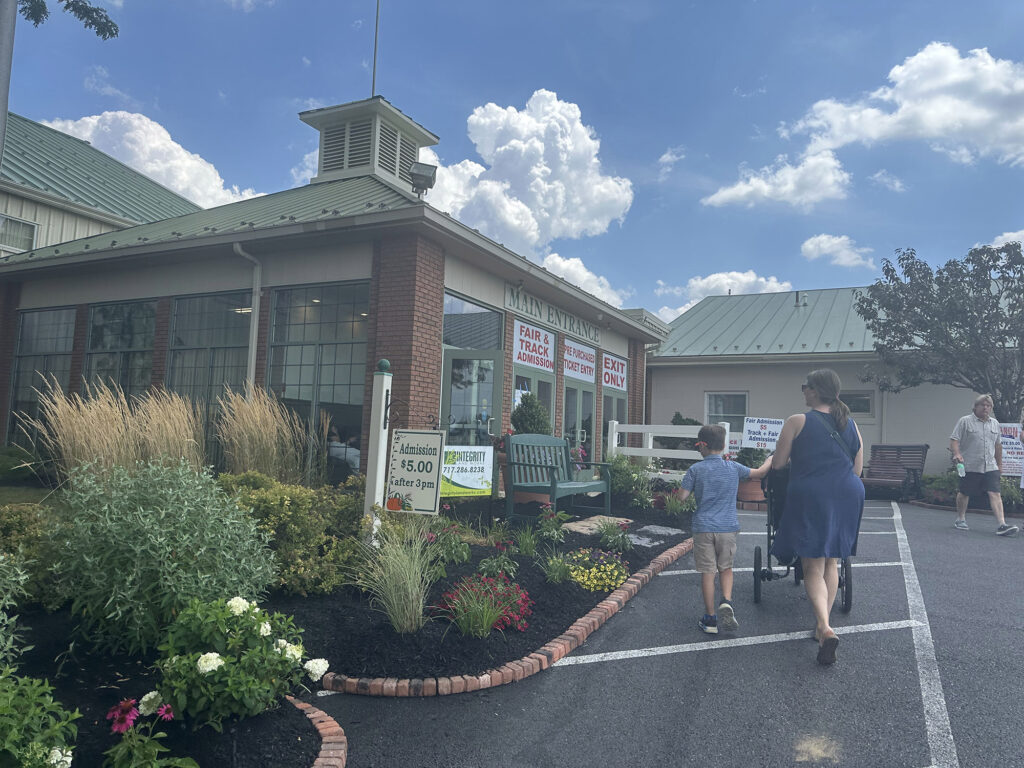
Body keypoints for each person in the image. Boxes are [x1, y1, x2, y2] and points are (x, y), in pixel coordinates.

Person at [770, 369, 865, 666]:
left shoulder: (797, 421)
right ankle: (820, 626)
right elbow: (858, 470)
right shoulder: (852, 425)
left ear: (815, 391)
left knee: (811, 565)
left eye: (805, 387)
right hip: (848, 493)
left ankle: (824, 626)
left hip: (812, 494)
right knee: (831, 561)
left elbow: (780, 464)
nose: (803, 392)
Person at [679, 424, 772, 635]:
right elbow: (759, 472)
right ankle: (727, 602)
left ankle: (710, 619)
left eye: (698, 446)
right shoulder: (733, 468)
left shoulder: (695, 470)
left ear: (703, 445)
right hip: (728, 528)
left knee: (707, 572)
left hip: (703, 527)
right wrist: (770, 460)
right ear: (722, 446)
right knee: (726, 568)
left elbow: (682, 497)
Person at [949, 394, 1018, 536]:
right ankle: (960, 519)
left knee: (995, 493)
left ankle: (1002, 524)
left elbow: (998, 446)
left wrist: (1000, 465)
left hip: (990, 466)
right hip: (970, 464)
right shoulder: (965, 421)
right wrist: (957, 453)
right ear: (975, 407)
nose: (985, 407)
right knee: (964, 492)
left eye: (988, 406)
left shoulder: (995, 424)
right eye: (983, 405)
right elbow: (954, 440)